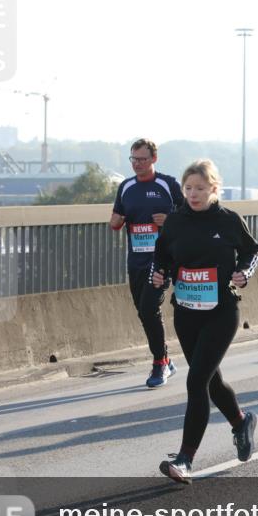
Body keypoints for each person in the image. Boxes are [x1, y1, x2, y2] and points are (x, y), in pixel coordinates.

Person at [151, 159, 258, 483]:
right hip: (186, 313)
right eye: (188, 189)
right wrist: (159, 274)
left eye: (200, 188)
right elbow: (163, 257)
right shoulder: (174, 222)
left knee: (196, 381)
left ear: (214, 188)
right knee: (210, 380)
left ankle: (185, 460)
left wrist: (244, 273)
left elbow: (252, 251)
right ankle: (241, 422)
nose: (193, 194)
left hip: (221, 311)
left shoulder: (228, 221)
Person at [110, 138, 185, 388]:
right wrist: (118, 221)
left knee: (150, 307)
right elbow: (115, 221)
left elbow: (191, 216)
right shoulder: (126, 187)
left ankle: (159, 364)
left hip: (162, 259)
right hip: (136, 260)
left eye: (142, 159)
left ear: (154, 159)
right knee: (143, 311)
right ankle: (165, 358)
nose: (137, 164)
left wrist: (170, 220)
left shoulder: (168, 184)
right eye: (133, 159)